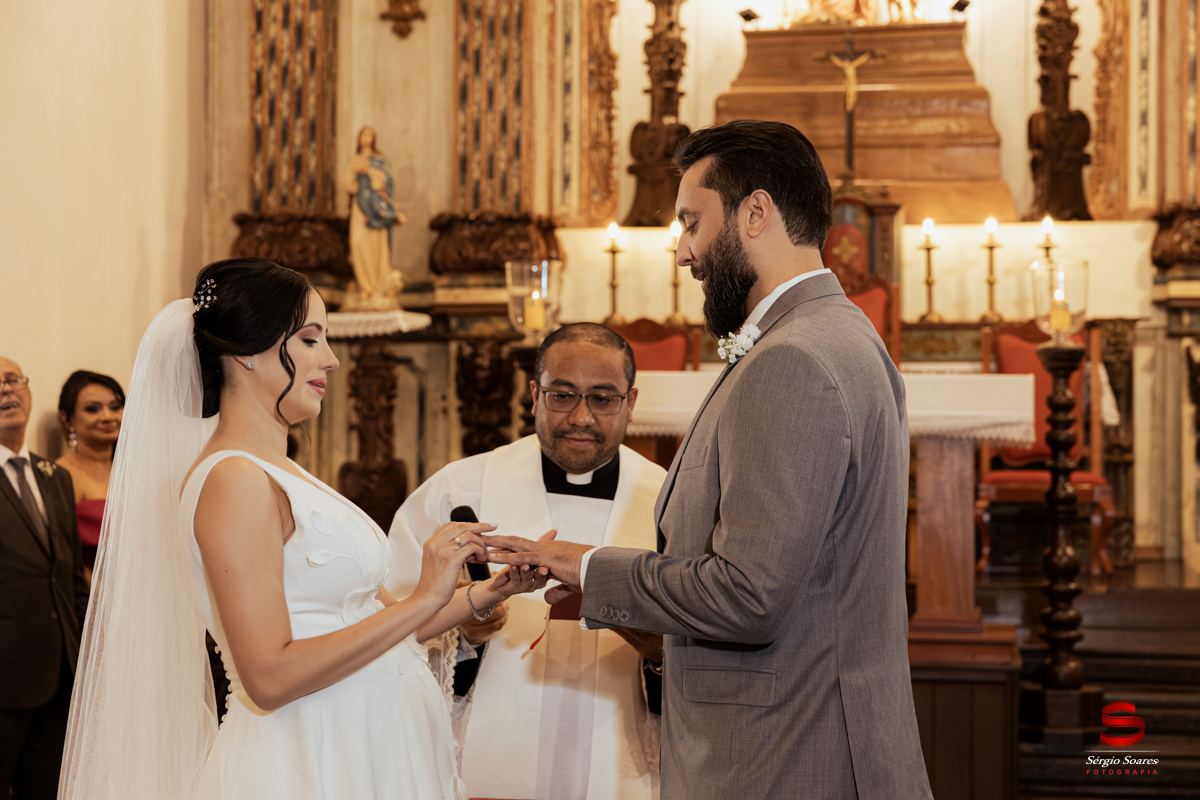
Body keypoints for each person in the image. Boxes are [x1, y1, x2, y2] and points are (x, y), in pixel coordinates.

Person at [485, 120, 934, 799]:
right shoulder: (841, 335)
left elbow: (749, 596)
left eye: (692, 223)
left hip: (784, 757)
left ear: (756, 213)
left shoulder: (792, 360)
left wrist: (585, 565)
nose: (683, 253)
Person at [58, 258, 550, 800]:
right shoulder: (233, 480)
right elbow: (268, 678)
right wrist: (425, 594)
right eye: (311, 339)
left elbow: (384, 623)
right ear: (248, 351)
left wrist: (490, 589)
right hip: (310, 756)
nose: (331, 359)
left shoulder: (283, 470)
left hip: (368, 748)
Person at [386, 323, 667, 800]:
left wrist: (658, 653)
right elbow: (388, 623)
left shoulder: (665, 501)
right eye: (563, 395)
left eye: (603, 398)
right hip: (484, 759)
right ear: (535, 395)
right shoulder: (460, 491)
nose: (581, 417)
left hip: (620, 759)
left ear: (631, 402)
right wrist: (462, 630)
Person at [0, 358, 89, 800]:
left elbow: (70, 578)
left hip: (59, 675)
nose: (6, 390)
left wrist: (85, 656)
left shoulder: (55, 477)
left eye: (13, 380)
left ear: (29, 392)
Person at [55, 370, 125, 580]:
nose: (108, 416)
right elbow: (64, 556)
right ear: (67, 418)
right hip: (93, 591)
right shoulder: (60, 475)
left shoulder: (133, 471)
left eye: (115, 407)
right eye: (92, 409)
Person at [341, 125, 405, 309]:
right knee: (358, 244)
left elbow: (386, 183)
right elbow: (347, 184)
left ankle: (378, 286)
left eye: (370, 134)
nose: (366, 137)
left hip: (376, 208)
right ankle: (365, 286)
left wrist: (370, 172)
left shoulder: (380, 160)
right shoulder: (354, 159)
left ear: (374, 138)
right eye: (364, 134)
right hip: (360, 209)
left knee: (378, 247)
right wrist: (355, 171)